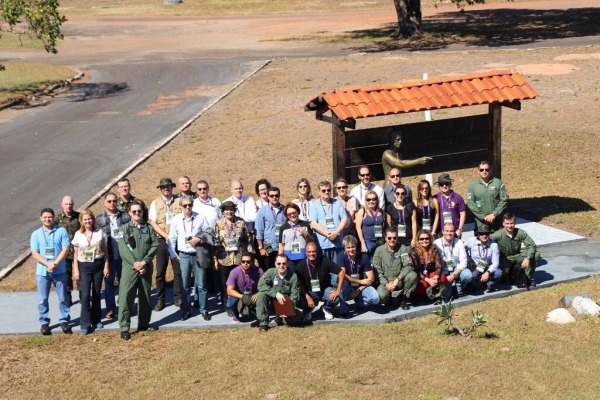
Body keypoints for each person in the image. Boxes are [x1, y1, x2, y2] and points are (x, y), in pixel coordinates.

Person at [117, 200, 159, 341]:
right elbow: (123, 249)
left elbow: (155, 244)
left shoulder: (149, 228)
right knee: (126, 297)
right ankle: (124, 328)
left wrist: (145, 262)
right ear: (129, 213)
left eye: (139, 211)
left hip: (145, 267)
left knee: (145, 296)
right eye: (134, 211)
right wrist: (135, 264)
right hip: (130, 268)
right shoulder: (123, 229)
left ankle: (143, 324)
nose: (137, 213)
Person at [167, 195, 211, 321]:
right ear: (180, 206)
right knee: (185, 285)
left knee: (202, 284)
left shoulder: (200, 217)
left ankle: (204, 310)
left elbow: (209, 233)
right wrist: (173, 255)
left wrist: (199, 238)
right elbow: (172, 239)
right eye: (185, 205)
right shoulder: (176, 220)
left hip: (198, 254)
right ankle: (186, 310)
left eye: (190, 205)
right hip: (184, 256)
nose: (187, 207)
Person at [30, 208, 72, 335]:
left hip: (59, 270)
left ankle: (64, 320)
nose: (48, 219)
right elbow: (34, 253)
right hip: (43, 272)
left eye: (50, 217)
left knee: (63, 297)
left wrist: (55, 263)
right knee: (43, 298)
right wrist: (48, 264)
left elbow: (65, 249)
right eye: (45, 217)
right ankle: (44, 322)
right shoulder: (36, 234)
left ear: (54, 218)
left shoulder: (61, 231)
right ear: (41, 218)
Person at [71, 210, 109, 335]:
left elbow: (105, 250)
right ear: (81, 221)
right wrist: (75, 269)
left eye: (89, 219)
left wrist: (106, 266)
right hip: (84, 267)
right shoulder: (78, 234)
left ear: (93, 219)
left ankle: (96, 319)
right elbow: (75, 253)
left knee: (97, 293)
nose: (88, 221)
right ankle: (85, 323)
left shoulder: (99, 233)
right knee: (86, 295)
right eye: (85, 219)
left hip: (98, 265)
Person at [148, 177, 183, 311]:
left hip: (177, 240)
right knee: (160, 272)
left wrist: (173, 237)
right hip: (162, 240)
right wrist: (166, 235)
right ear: (160, 189)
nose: (166, 189)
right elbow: (153, 222)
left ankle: (178, 297)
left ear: (172, 187)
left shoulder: (180, 201)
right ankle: (160, 300)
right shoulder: (155, 203)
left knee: (177, 271)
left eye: (168, 186)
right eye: (163, 187)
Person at [96, 192, 130, 319]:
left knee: (124, 283)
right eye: (109, 201)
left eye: (114, 201)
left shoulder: (125, 216)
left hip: (123, 256)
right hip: (108, 257)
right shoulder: (99, 219)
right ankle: (110, 308)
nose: (112, 203)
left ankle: (124, 307)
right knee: (109, 284)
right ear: (105, 203)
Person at [294, 242, 349, 320]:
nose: (311, 254)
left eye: (314, 251)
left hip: (324, 290)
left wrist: (338, 290)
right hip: (309, 292)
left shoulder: (324, 261)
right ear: (305, 252)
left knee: (336, 297)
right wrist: (308, 297)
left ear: (317, 252)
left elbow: (341, 272)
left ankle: (326, 308)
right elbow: (299, 284)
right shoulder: (300, 265)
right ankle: (308, 310)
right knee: (300, 299)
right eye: (309, 252)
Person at [214, 200, 249, 315]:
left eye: (231, 209)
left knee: (239, 282)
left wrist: (249, 256)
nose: (229, 212)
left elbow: (247, 239)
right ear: (223, 212)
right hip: (225, 259)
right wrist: (215, 259)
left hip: (239, 259)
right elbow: (216, 242)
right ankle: (228, 306)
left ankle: (240, 304)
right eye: (226, 210)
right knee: (226, 284)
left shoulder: (241, 222)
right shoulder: (218, 224)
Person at [491, 212, 541, 288]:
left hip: (517, 256)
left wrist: (527, 258)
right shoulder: (497, 235)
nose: (509, 226)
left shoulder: (520, 233)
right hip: (504, 259)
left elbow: (532, 245)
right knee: (501, 275)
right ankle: (507, 275)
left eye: (512, 223)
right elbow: (486, 242)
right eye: (507, 223)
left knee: (536, 255)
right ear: (503, 224)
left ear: (515, 223)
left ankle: (526, 277)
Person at [373, 228, 417, 310]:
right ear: (385, 238)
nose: (392, 240)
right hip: (386, 282)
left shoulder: (402, 248)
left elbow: (408, 265)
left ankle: (403, 299)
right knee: (382, 296)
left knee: (413, 275)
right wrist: (386, 284)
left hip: (399, 280)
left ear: (397, 238)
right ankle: (391, 299)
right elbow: (377, 270)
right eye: (389, 238)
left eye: (394, 238)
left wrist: (398, 279)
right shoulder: (379, 250)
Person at [256, 254, 301, 332]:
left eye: (284, 263)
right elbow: (261, 285)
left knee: (298, 317)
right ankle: (263, 323)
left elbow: (295, 295)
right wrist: (276, 294)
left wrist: (287, 309)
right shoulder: (270, 272)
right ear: (275, 264)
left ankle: (281, 319)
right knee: (262, 294)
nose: (281, 266)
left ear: (287, 264)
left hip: (285, 303)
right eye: (279, 263)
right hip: (272, 302)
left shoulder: (293, 276)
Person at [337, 235, 379, 309]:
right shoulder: (341, 256)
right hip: (347, 285)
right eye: (348, 247)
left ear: (356, 246)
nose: (351, 249)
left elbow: (371, 278)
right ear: (344, 248)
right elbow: (342, 275)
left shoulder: (364, 256)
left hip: (361, 287)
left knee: (375, 299)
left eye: (353, 247)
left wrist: (358, 290)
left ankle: (359, 302)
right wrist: (360, 281)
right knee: (341, 283)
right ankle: (343, 308)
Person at [309, 181, 348, 261]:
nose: (326, 192)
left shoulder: (337, 203)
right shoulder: (314, 205)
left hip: (337, 243)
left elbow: (344, 219)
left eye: (328, 190)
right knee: (324, 271)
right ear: (319, 191)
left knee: (338, 270)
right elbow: (313, 223)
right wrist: (328, 234)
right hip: (322, 244)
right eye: (324, 190)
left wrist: (336, 232)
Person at [466, 161, 509, 232]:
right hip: (481, 223)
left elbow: (504, 199)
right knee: (482, 242)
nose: (484, 172)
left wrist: (494, 214)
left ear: (490, 170)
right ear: (478, 171)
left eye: (487, 169)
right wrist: (483, 217)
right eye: (481, 170)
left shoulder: (498, 182)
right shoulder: (473, 185)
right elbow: (470, 203)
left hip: (497, 222)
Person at [434, 223, 471, 297]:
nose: (449, 233)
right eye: (447, 231)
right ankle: (450, 288)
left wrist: (454, 275)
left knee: (468, 275)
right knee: (447, 295)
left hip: (456, 270)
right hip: (443, 271)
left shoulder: (459, 242)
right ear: (443, 231)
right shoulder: (436, 243)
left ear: (454, 232)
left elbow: (463, 262)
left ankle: (458, 285)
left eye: (451, 231)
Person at [226, 252, 264, 323]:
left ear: (252, 262)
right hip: (239, 294)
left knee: (264, 295)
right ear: (240, 262)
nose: (245, 263)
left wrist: (258, 294)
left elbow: (266, 285)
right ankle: (235, 313)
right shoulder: (234, 272)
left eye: (248, 262)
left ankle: (257, 312)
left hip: (253, 294)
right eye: (243, 261)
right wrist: (242, 296)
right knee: (230, 303)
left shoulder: (259, 271)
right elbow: (229, 290)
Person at [56, 195, 80, 306]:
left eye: (70, 204)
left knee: (80, 275)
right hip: (64, 253)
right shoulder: (57, 219)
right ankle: (68, 297)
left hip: (78, 252)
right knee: (66, 276)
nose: (68, 206)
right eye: (66, 204)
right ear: (62, 205)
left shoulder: (79, 217)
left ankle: (82, 296)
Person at [256, 186, 287, 270]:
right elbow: (259, 231)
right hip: (268, 248)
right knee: (269, 271)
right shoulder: (262, 211)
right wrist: (261, 248)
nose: (274, 197)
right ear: (268, 197)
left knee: (282, 270)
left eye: (276, 195)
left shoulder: (285, 210)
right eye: (272, 196)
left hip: (282, 246)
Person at [464, 225, 501, 293]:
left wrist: (488, 272)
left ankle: (489, 284)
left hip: (488, 266)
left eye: (487, 233)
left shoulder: (494, 245)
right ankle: (474, 285)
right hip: (476, 266)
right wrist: (468, 260)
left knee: (498, 273)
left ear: (489, 234)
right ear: (478, 234)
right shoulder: (471, 241)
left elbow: (496, 263)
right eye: (481, 233)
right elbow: (463, 250)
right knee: (472, 275)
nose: (484, 236)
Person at [412, 230, 446, 301]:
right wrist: (428, 280)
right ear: (418, 240)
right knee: (421, 288)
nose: (424, 240)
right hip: (421, 277)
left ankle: (436, 294)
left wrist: (436, 277)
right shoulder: (414, 252)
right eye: (421, 239)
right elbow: (415, 270)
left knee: (442, 277)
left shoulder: (434, 250)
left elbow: (438, 266)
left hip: (431, 275)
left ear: (430, 239)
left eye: (426, 238)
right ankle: (425, 296)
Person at [278, 202, 313, 270]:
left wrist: (305, 233)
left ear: (298, 212)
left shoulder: (305, 224)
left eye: (294, 212)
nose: (292, 215)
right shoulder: (283, 228)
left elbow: (311, 242)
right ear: (286, 215)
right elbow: (281, 245)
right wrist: (280, 259)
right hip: (289, 258)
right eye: (289, 214)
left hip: (303, 256)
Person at [356, 190, 387, 259]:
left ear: (377, 200)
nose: (371, 201)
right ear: (366, 200)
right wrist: (363, 243)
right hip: (368, 242)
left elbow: (385, 226)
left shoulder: (380, 211)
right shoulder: (362, 211)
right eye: (368, 199)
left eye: (374, 199)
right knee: (369, 263)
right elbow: (358, 228)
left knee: (380, 262)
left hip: (380, 241)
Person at [434, 173, 466, 238]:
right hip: (440, 232)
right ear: (439, 186)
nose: (444, 186)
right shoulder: (435, 198)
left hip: (454, 231)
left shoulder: (458, 197)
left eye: (446, 184)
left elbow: (463, 214)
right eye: (441, 184)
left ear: (450, 184)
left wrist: (460, 229)